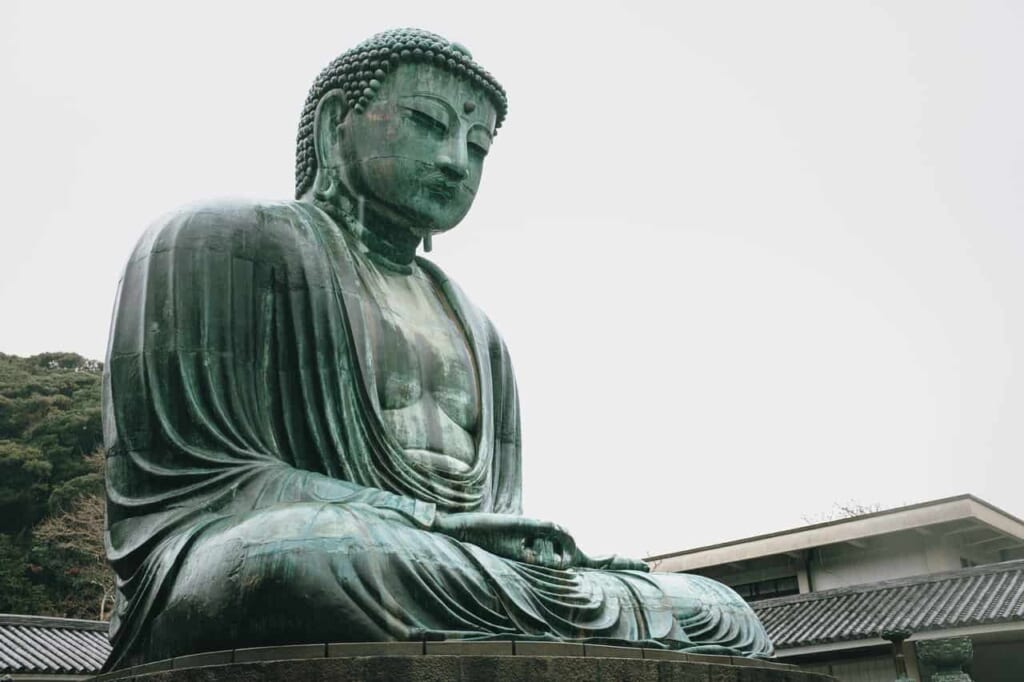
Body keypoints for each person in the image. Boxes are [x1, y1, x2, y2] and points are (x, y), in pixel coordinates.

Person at [102, 28, 772, 670]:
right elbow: (207, 484)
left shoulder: (477, 328)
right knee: (307, 560)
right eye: (427, 122)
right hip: (280, 555)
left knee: (718, 609)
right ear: (340, 122)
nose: (456, 160)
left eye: (477, 146)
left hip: (448, 567)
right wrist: (426, 519)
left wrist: (532, 554)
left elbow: (498, 518)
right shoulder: (219, 241)